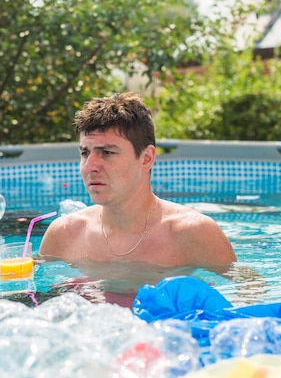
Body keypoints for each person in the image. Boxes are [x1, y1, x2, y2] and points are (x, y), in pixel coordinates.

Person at [39, 92, 236, 270]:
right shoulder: (63, 235)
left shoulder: (194, 233)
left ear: (146, 158)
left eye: (107, 152)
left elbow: (248, 292)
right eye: (85, 153)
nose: (90, 166)